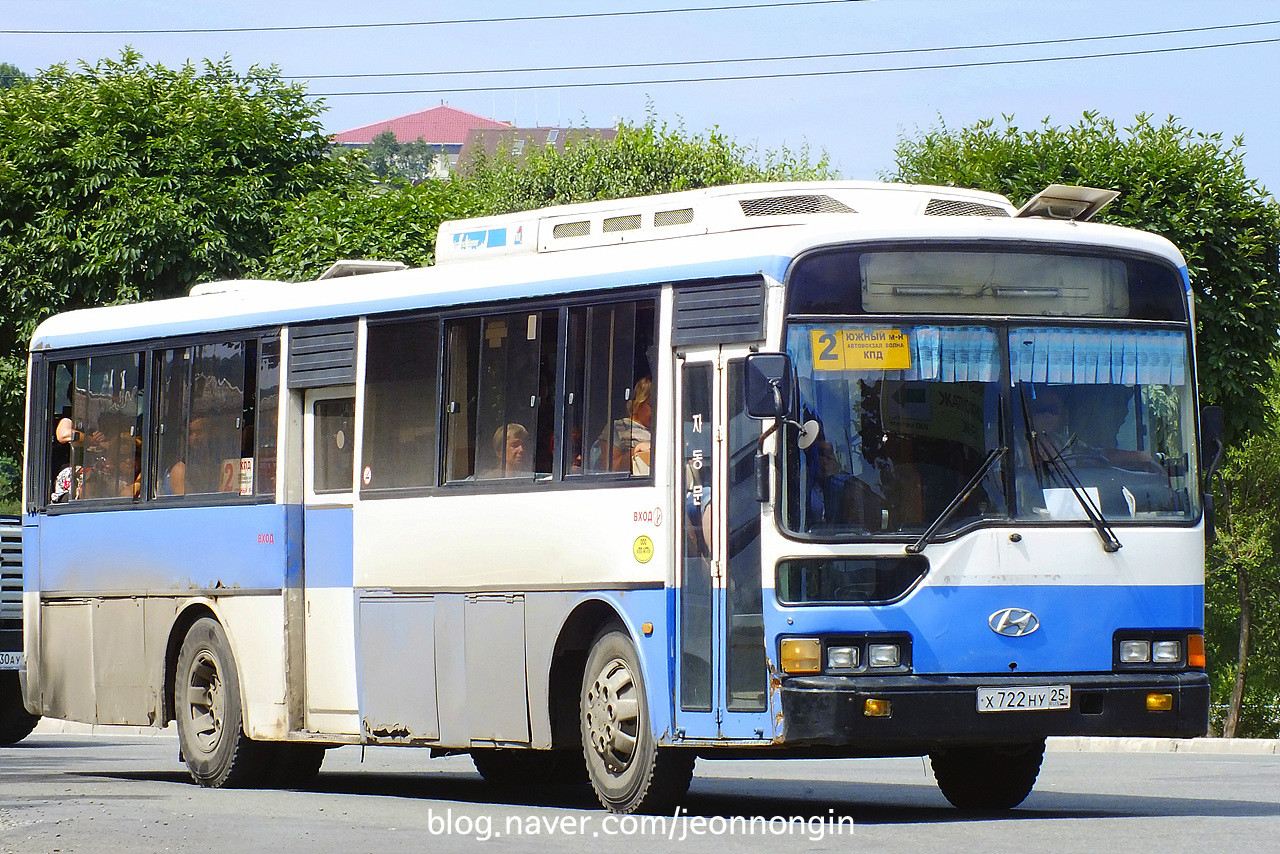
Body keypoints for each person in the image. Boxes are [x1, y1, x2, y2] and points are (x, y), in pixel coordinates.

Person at [593, 377, 653, 475]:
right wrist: (635, 451)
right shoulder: (618, 428)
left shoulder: (664, 431)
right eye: (652, 405)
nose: (657, 411)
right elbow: (610, 468)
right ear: (638, 403)